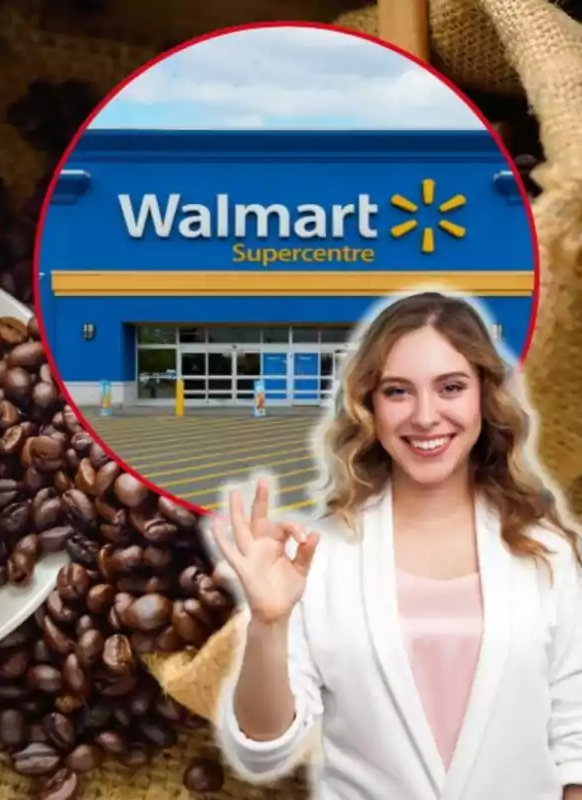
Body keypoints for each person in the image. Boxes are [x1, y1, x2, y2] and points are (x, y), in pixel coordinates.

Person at [210, 291, 582, 800]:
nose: (425, 416)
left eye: (450, 387)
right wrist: (269, 623)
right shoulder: (322, 556)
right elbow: (264, 747)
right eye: (398, 392)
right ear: (369, 406)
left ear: (484, 396)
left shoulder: (547, 551)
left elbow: (575, 734)